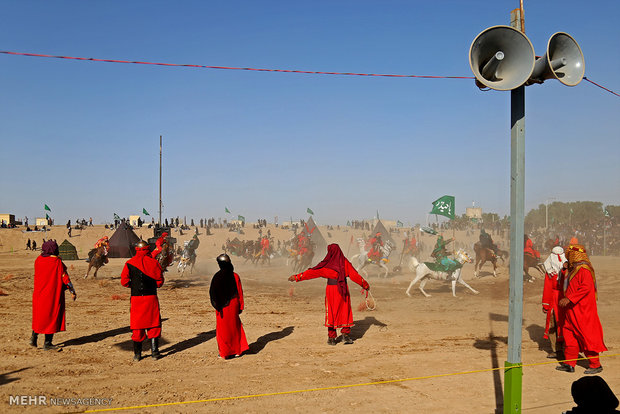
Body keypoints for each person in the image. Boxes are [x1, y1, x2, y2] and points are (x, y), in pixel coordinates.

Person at [288, 244, 370, 345]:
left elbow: (312, 273)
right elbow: (354, 276)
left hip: (331, 291)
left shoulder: (326, 264)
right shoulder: (345, 262)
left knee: (331, 311)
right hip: (343, 289)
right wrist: (365, 284)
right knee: (345, 311)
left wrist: (297, 277)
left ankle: (331, 338)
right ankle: (345, 335)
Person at [556, 244, 607, 374]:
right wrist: (564, 269)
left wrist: (569, 298)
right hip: (572, 309)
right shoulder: (574, 268)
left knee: (586, 336)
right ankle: (570, 363)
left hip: (583, 310)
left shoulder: (584, 270)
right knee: (569, 335)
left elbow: (586, 287)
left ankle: (595, 364)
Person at [121, 240, 165, 361]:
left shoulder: (129, 263)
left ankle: (137, 354)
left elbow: (124, 282)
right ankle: (155, 353)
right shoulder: (154, 263)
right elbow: (160, 282)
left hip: (136, 299)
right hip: (151, 298)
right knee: (154, 324)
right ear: (147, 249)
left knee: (137, 326)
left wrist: (134, 286)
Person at [30, 240, 77, 350]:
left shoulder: (38, 260)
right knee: (51, 317)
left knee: (39, 317)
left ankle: (33, 338)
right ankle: (47, 343)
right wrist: (72, 291)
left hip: (38, 295)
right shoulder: (56, 262)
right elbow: (65, 278)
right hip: (52, 295)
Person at [209, 254, 249, 359]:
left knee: (223, 330)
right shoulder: (235, 276)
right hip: (234, 304)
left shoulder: (217, 276)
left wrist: (217, 306)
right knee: (235, 327)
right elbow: (240, 292)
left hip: (222, 307)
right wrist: (241, 305)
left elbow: (213, 294)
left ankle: (225, 352)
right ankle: (237, 351)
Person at [541, 246, 566, 358]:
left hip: (555, 300)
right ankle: (563, 349)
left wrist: (545, 304)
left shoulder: (550, 273)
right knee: (562, 324)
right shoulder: (568, 271)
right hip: (565, 299)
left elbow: (547, 287)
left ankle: (557, 349)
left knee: (554, 324)